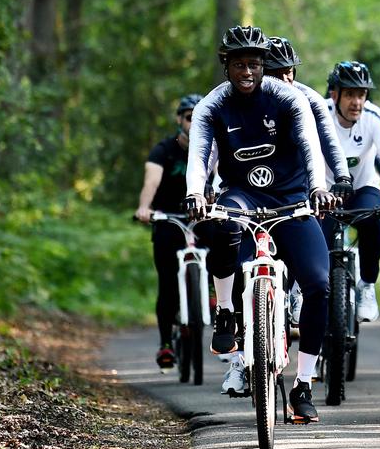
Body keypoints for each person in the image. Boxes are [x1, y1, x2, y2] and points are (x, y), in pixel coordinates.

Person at [183, 25, 339, 423]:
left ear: (264, 66)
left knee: (319, 285)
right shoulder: (211, 106)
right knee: (223, 226)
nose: (246, 71)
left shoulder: (287, 97)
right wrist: (196, 193)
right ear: (226, 67)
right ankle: (226, 313)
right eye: (238, 64)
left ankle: (303, 385)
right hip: (242, 197)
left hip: (291, 200)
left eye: (253, 63)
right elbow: (199, 157)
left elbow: (310, 146)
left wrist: (319, 188)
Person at [265, 36, 354, 324]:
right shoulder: (246, 100)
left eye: (290, 71)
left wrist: (341, 175)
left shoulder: (309, 98)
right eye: (277, 73)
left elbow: (329, 143)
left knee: (300, 247)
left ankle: (294, 290)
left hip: (296, 187)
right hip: (253, 189)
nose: (285, 78)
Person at [322, 60, 380, 322]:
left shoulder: (375, 118)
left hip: (362, 187)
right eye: (350, 94)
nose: (357, 101)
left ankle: (367, 285)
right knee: (309, 231)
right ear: (335, 94)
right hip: (323, 191)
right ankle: (301, 290)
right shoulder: (318, 115)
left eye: (361, 94)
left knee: (374, 222)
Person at [134, 93, 201, 370]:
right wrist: (144, 208)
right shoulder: (164, 149)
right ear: (179, 119)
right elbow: (152, 180)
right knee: (168, 285)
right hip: (167, 219)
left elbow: (222, 177)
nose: (193, 123)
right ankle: (165, 344)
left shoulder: (210, 147)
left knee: (226, 255)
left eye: (199, 117)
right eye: (189, 117)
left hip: (200, 219)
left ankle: (215, 304)